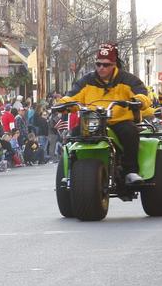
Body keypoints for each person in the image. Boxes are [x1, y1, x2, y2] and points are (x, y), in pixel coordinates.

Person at [58, 43, 151, 184]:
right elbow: (72, 96)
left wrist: (137, 101)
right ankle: (71, 172)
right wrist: (63, 104)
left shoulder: (128, 79)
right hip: (92, 122)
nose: (101, 67)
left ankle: (130, 171)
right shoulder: (86, 81)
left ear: (114, 64)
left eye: (106, 65)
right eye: (98, 64)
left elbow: (142, 94)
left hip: (118, 121)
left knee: (130, 132)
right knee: (74, 134)